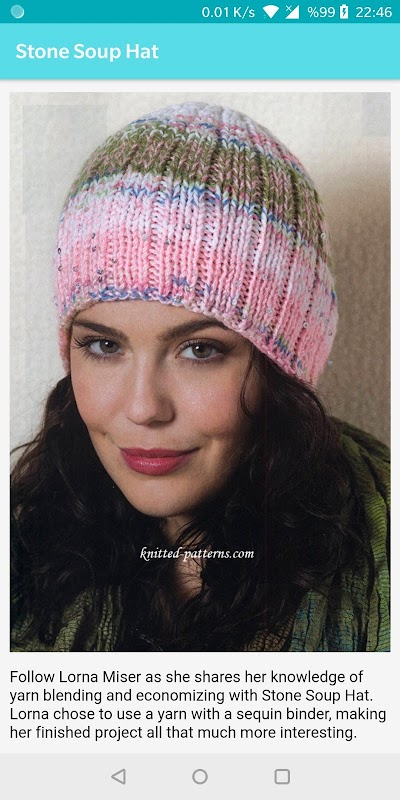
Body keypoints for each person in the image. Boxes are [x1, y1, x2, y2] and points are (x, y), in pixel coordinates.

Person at [11, 102, 390, 653]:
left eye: (199, 350)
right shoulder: (27, 541)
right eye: (103, 345)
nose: (143, 407)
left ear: (284, 369)